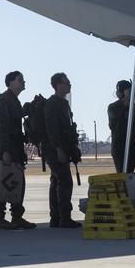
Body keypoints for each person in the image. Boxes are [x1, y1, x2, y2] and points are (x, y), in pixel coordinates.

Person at [0, 71, 35, 230]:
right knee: (1, 183)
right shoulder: (3, 101)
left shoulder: (14, 101)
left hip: (14, 149)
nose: (23, 82)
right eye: (20, 80)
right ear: (10, 82)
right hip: (4, 151)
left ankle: (16, 217)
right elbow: (1, 128)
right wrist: (5, 151)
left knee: (17, 181)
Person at [43, 73, 82, 228]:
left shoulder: (63, 104)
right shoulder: (52, 103)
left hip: (61, 147)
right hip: (54, 149)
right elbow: (52, 129)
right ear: (58, 85)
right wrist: (59, 149)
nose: (69, 86)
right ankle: (64, 217)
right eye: (66, 83)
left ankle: (56, 218)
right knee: (65, 181)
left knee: (56, 181)